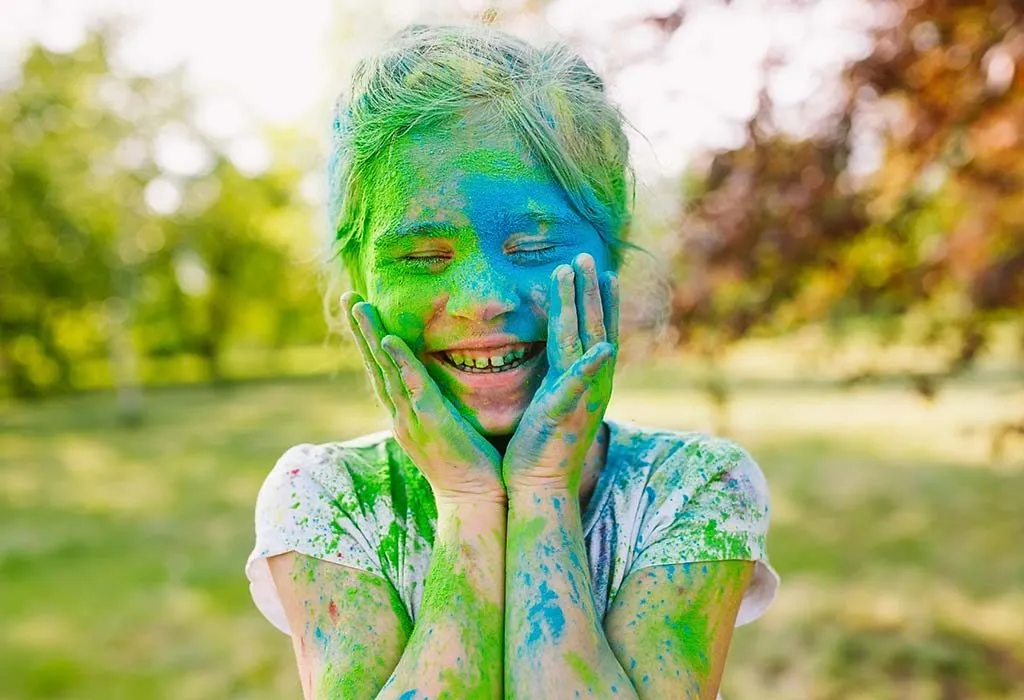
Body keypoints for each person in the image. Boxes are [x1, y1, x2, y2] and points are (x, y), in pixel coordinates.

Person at [245, 23, 779, 700]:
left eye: (531, 246)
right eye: (422, 257)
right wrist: (468, 500)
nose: (484, 300)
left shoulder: (695, 488)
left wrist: (544, 489)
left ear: (609, 258)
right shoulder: (325, 496)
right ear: (362, 288)